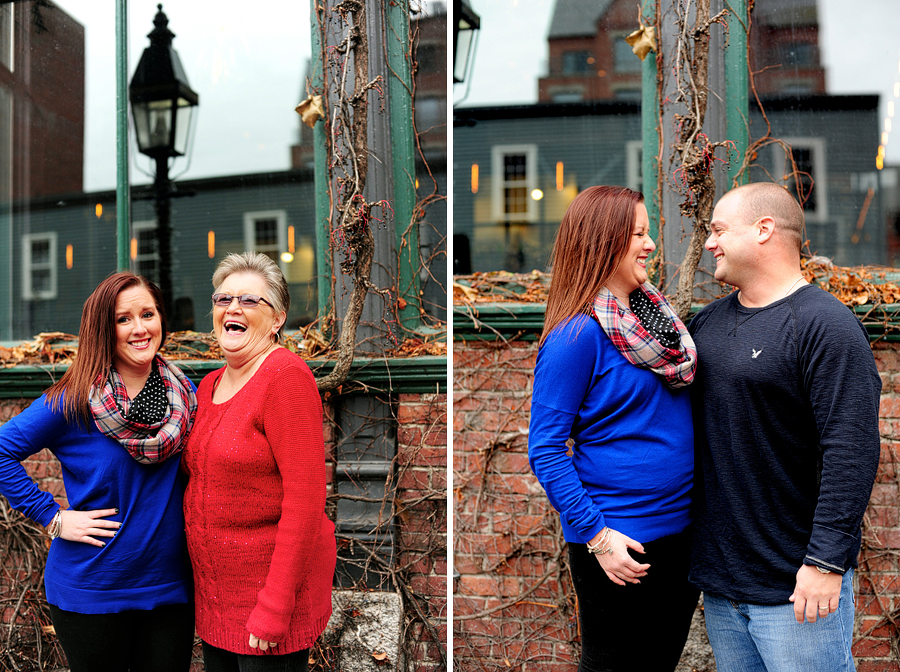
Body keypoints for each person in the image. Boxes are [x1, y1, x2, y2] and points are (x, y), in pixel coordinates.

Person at [688, 182, 882, 671]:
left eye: (718, 230)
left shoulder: (825, 325)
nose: (710, 243)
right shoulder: (706, 325)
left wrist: (824, 563)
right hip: (724, 588)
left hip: (797, 588)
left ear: (764, 229)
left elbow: (851, 450)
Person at [528, 185, 700, 671]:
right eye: (638, 234)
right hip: (621, 545)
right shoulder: (576, 335)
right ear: (603, 241)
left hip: (680, 535)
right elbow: (544, 449)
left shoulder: (657, 323)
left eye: (649, 233)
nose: (650, 245)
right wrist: (598, 537)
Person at [0, 272, 197, 672]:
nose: (139, 328)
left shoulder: (187, 396)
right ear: (103, 328)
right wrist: (52, 517)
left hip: (170, 588)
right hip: (92, 589)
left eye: (148, 314)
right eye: (123, 319)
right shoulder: (73, 400)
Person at [182, 251, 335, 672]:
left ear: (278, 318)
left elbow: (306, 502)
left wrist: (274, 606)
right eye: (222, 299)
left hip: (267, 606)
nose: (232, 308)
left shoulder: (285, 378)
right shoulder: (209, 384)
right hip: (217, 604)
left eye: (250, 301)